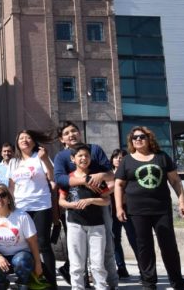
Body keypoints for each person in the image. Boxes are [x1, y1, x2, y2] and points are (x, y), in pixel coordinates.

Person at [114, 126, 184, 290]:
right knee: (144, 247)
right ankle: (149, 283)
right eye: (135, 138)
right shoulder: (127, 161)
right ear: (131, 141)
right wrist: (119, 207)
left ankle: (177, 282)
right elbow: (118, 184)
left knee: (169, 246)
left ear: (149, 139)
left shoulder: (161, 157)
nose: (138, 140)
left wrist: (182, 202)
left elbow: (175, 181)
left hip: (161, 209)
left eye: (142, 137)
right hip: (137, 212)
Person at [53, 121, 117, 288]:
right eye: (66, 133)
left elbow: (110, 175)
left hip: (99, 208)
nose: (71, 135)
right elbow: (59, 180)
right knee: (77, 254)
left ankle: (110, 284)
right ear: (62, 139)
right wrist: (83, 180)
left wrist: (99, 178)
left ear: (79, 133)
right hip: (75, 212)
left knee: (107, 248)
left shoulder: (95, 149)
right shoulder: (61, 157)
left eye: (74, 131)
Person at [8, 130, 56, 288]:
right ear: (17, 143)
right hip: (21, 208)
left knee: (43, 244)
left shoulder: (40, 157)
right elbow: (11, 187)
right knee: (26, 245)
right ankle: (31, 281)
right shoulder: (14, 162)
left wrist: (45, 160)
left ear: (34, 142)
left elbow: (52, 176)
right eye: (21, 138)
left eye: (28, 138)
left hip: (41, 205)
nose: (25, 140)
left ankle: (50, 283)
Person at [59, 143, 111, 290]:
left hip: (96, 225)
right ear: (73, 159)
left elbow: (107, 200)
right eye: (80, 155)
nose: (83, 158)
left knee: (97, 263)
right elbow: (61, 201)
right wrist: (72, 205)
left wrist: (90, 200)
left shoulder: (95, 178)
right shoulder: (68, 179)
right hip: (75, 224)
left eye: (86, 155)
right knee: (76, 264)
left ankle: (101, 287)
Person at [0, 183, 43, 290]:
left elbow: (33, 242)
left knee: (21, 261)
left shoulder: (22, 216)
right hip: (0, 255)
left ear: (9, 199)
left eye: (3, 195)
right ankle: (3, 283)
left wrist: (38, 264)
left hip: (21, 255)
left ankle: (23, 283)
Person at [110, 148, 139, 279]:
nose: (118, 159)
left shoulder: (129, 173)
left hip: (127, 209)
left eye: (121, 157)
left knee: (134, 239)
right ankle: (121, 268)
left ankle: (143, 268)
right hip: (112, 211)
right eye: (116, 157)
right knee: (115, 240)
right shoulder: (108, 174)